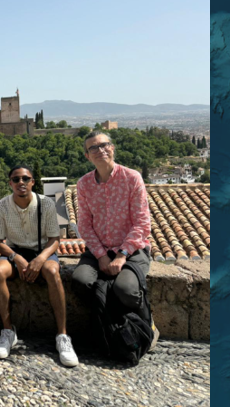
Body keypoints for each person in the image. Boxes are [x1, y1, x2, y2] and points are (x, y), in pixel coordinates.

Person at [71, 131, 158, 350]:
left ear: (112, 148)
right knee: (81, 281)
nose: (100, 150)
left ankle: (147, 325)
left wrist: (122, 255)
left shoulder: (132, 178)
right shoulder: (83, 184)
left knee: (126, 290)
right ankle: (111, 327)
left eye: (104, 145)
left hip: (132, 248)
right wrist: (100, 255)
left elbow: (142, 223)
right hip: (99, 249)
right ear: (87, 156)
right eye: (93, 148)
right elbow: (85, 225)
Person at [0, 165, 77, 367]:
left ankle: (62, 336)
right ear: (10, 183)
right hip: (14, 251)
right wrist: (17, 258)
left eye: (26, 178)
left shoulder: (46, 204)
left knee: (53, 271)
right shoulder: (2, 207)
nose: (21, 182)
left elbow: (55, 239)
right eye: (16, 179)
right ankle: (7, 331)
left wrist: (40, 259)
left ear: (33, 182)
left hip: (42, 250)